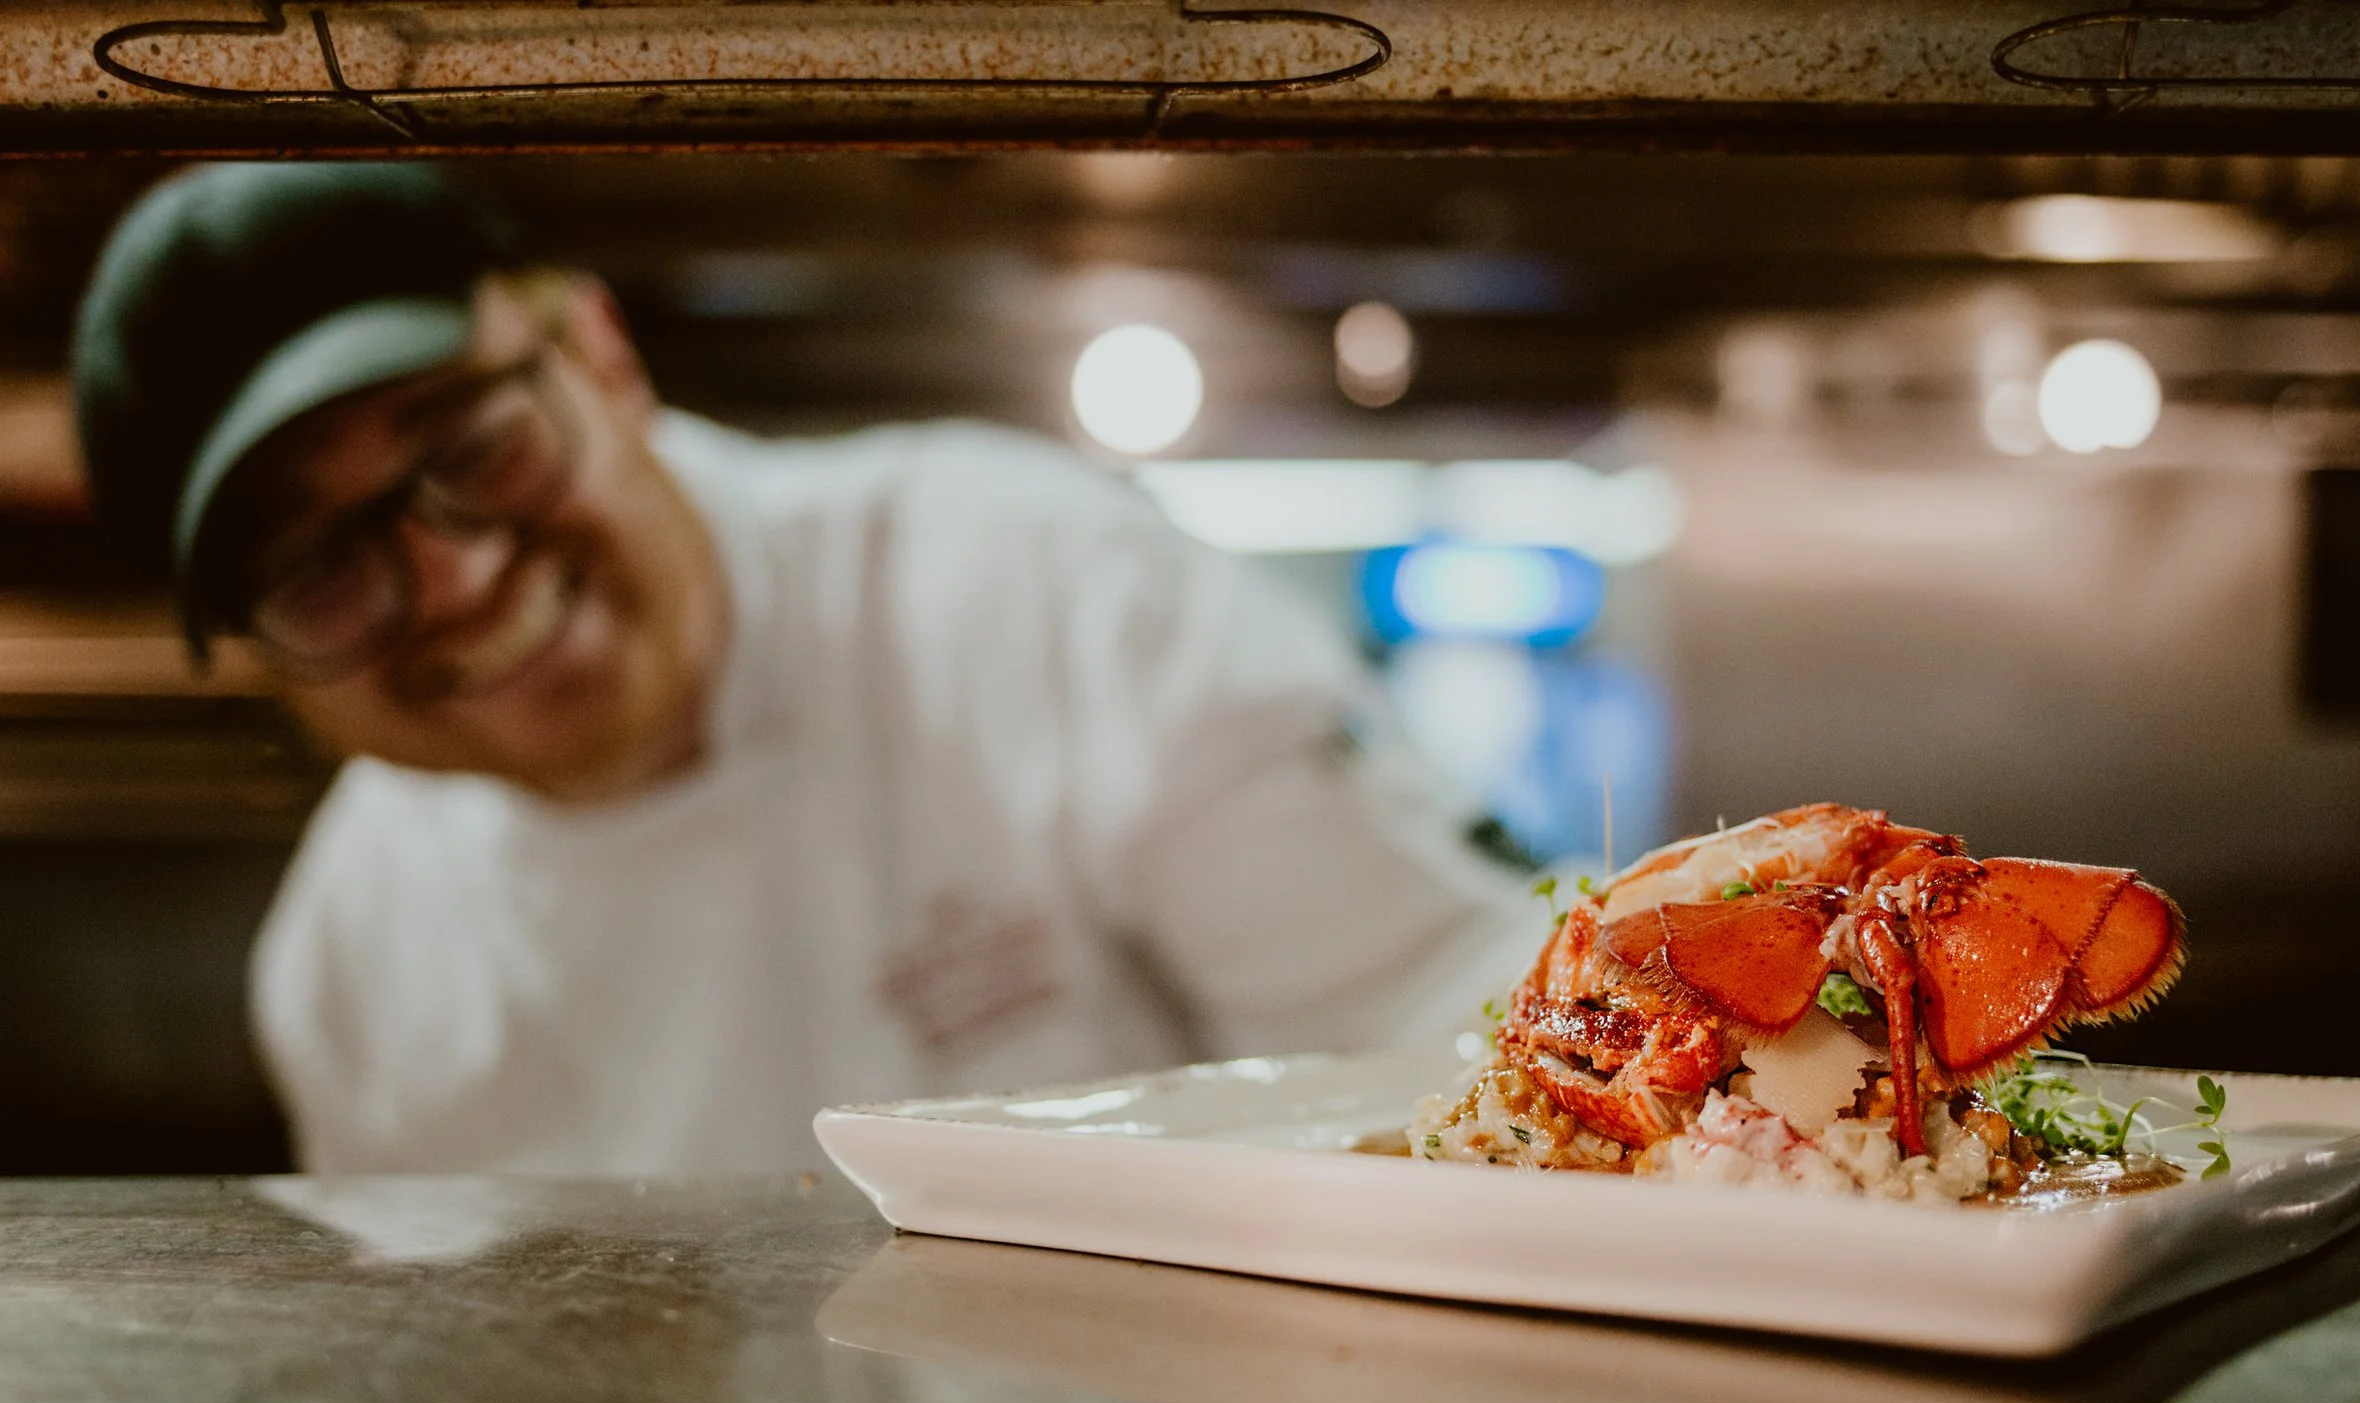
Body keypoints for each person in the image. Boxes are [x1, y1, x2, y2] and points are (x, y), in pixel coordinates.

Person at [71, 163, 1548, 1173]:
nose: (453, 577)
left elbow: (1455, 1016)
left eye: (471, 449)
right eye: (325, 569)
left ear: (598, 355)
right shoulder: (350, 965)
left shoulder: (1028, 584)